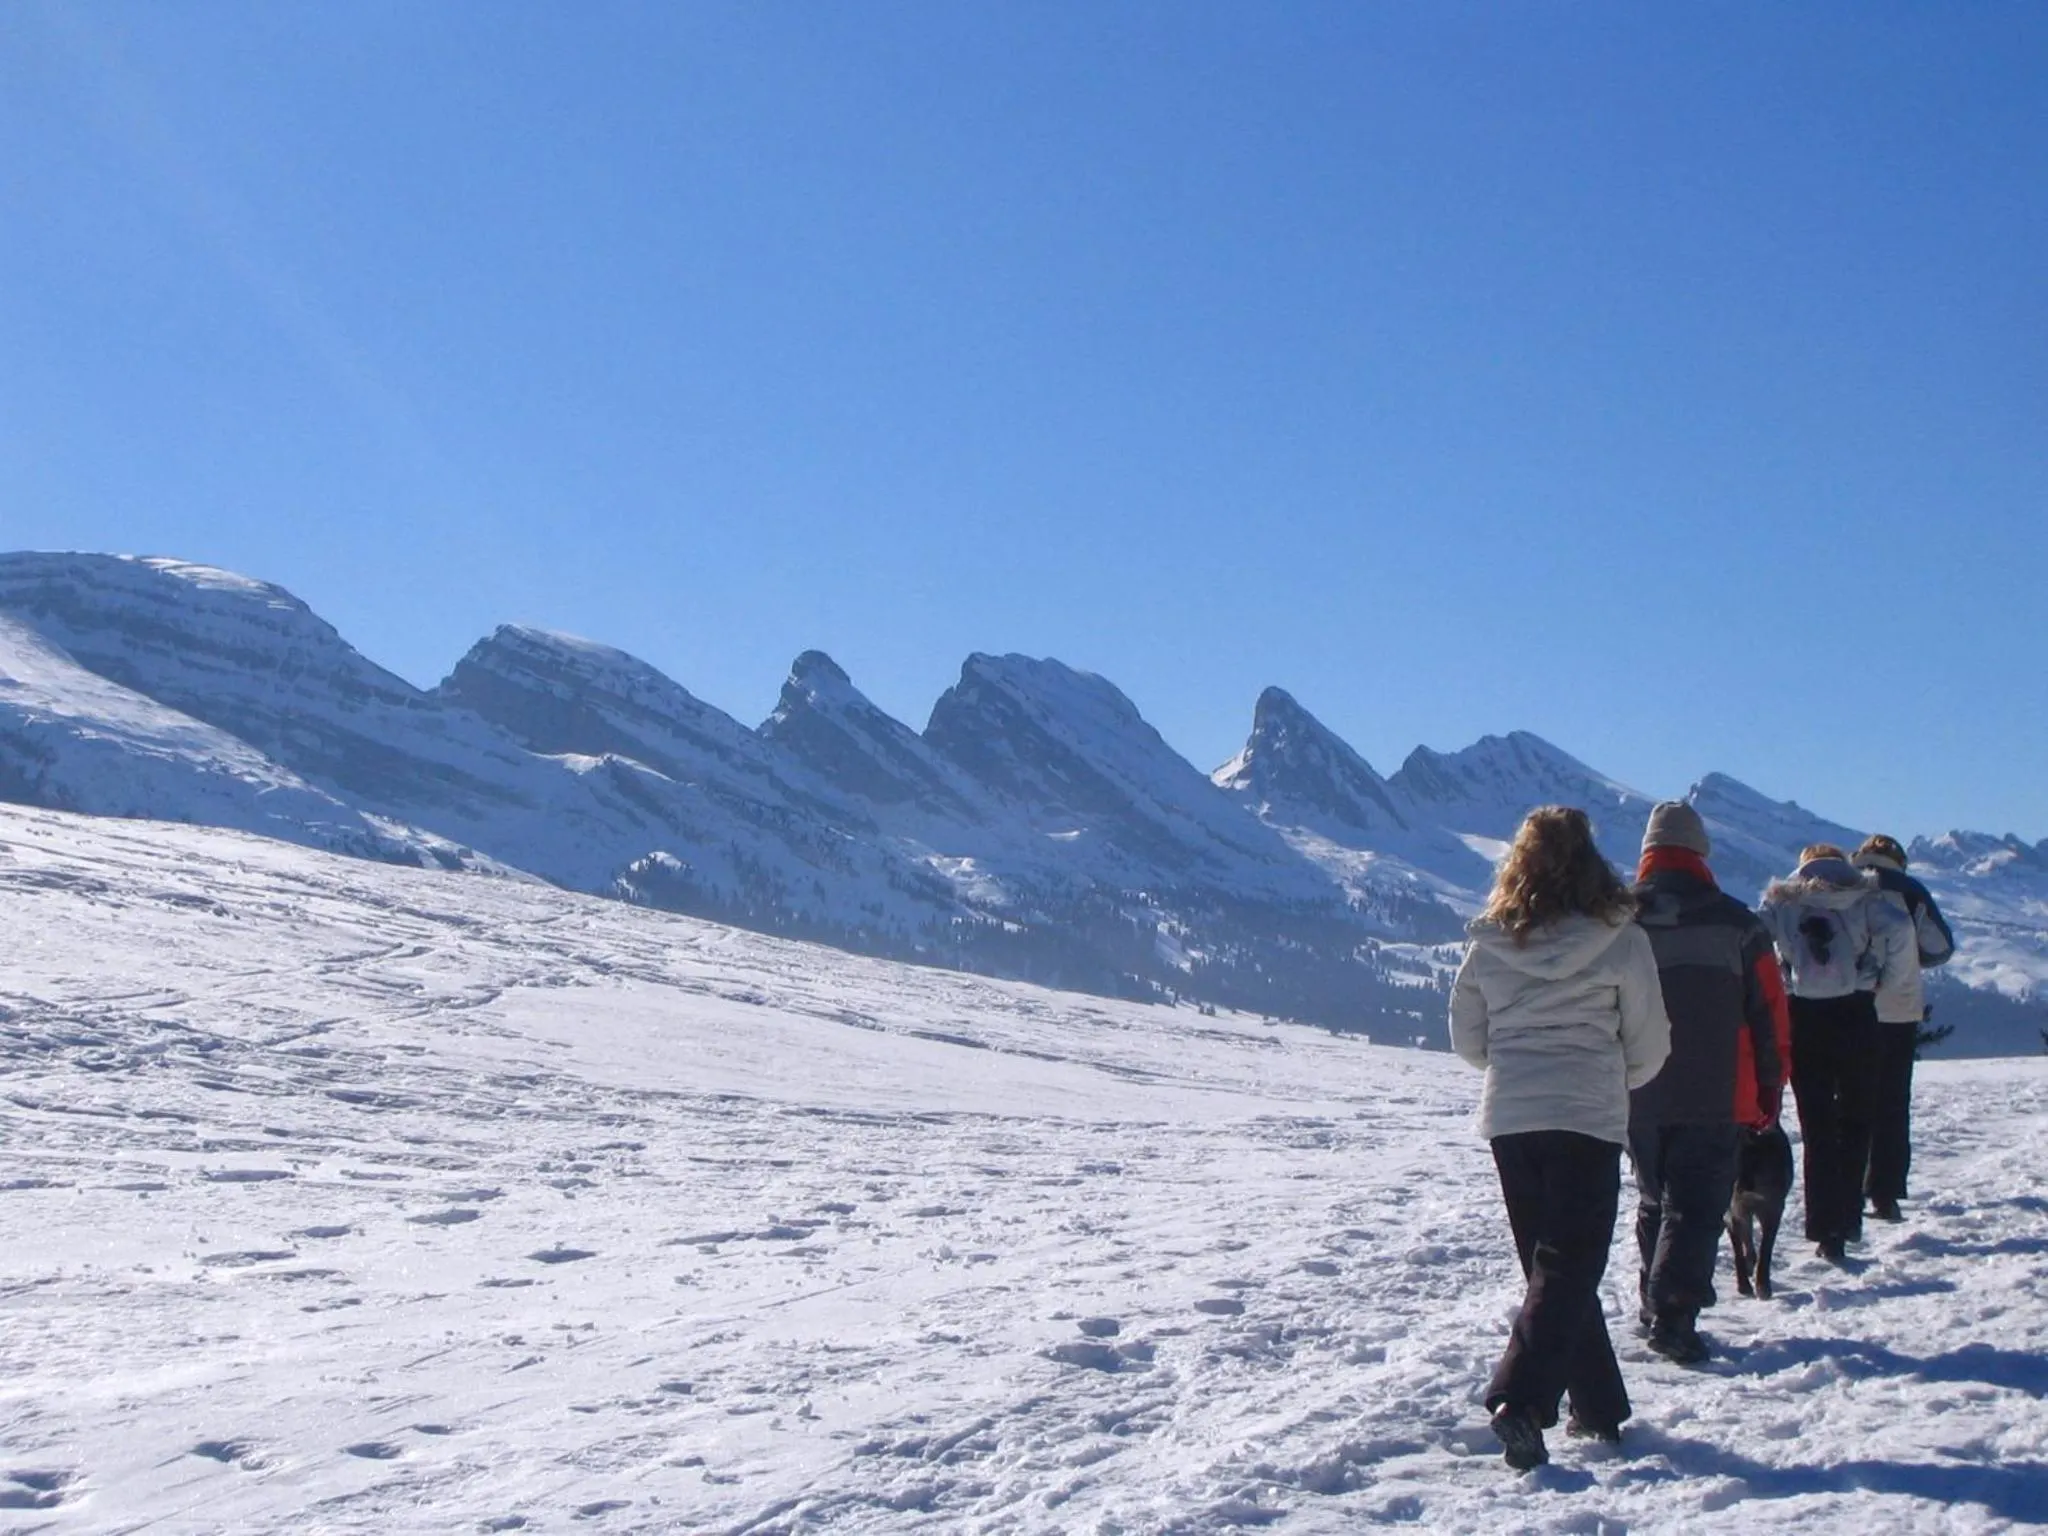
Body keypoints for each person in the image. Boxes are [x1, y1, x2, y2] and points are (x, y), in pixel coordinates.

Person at [1450, 806, 1672, 1470]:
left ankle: (1598, 1405)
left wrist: (1513, 1064)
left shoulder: (1491, 941)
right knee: (1568, 1266)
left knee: (1553, 1269)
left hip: (1512, 1120)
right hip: (1587, 1116)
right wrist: (1612, 1078)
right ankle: (1520, 1400)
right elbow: (1650, 1040)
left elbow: (1467, 1037)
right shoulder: (1620, 938)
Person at [1626, 802, 1790, 1364]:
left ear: (1646, 855)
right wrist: (1772, 1084)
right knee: (1695, 1206)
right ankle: (1672, 1315)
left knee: (1655, 1199)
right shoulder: (1739, 925)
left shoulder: (1618, 922)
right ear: (1701, 854)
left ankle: (1653, 1306)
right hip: (1717, 1088)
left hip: (1636, 1087)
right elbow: (1770, 1012)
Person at [1759, 844, 1913, 1262]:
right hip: (1857, 1013)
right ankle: (1847, 1218)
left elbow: (1753, 937)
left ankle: (1823, 1225)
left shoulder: (1783, 901)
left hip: (1804, 1017)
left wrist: (1779, 984)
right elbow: (1900, 928)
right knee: (1857, 1119)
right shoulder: (1865, 897)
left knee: (1817, 1126)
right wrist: (1886, 981)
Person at [1852, 833, 1956, 1222]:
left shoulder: (1841, 883)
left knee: (1847, 1099)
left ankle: (1845, 1189)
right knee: (1891, 1101)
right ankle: (1884, 1190)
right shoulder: (1909, 890)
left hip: (1845, 1007)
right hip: (1896, 1011)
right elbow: (1940, 946)